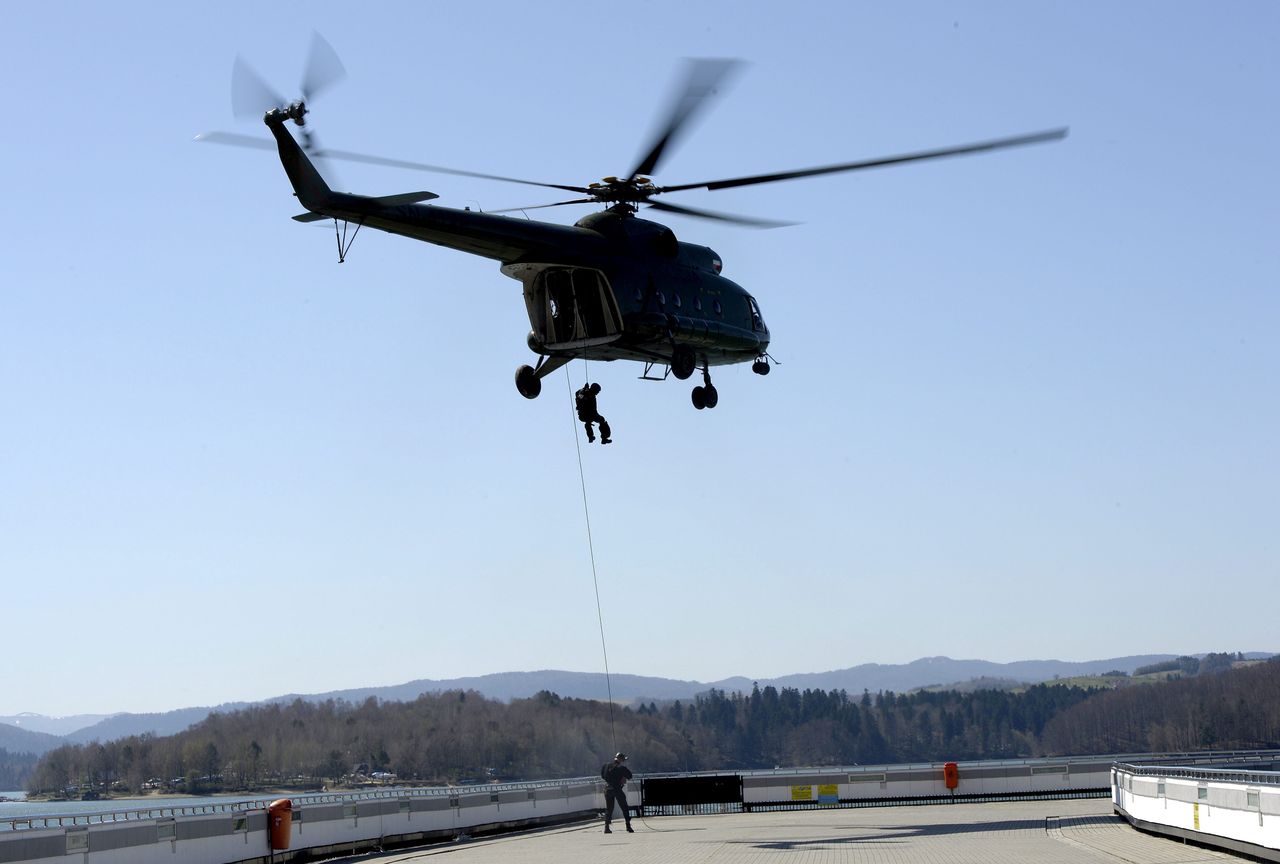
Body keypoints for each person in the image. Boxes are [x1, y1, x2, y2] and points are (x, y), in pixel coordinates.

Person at [600, 752, 633, 833]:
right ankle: (628, 826)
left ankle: (606, 827)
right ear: (621, 760)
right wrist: (622, 776)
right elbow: (630, 776)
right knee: (624, 807)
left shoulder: (606, 765)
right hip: (617, 789)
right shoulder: (622, 768)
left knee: (609, 809)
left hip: (608, 789)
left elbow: (602, 776)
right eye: (623, 760)